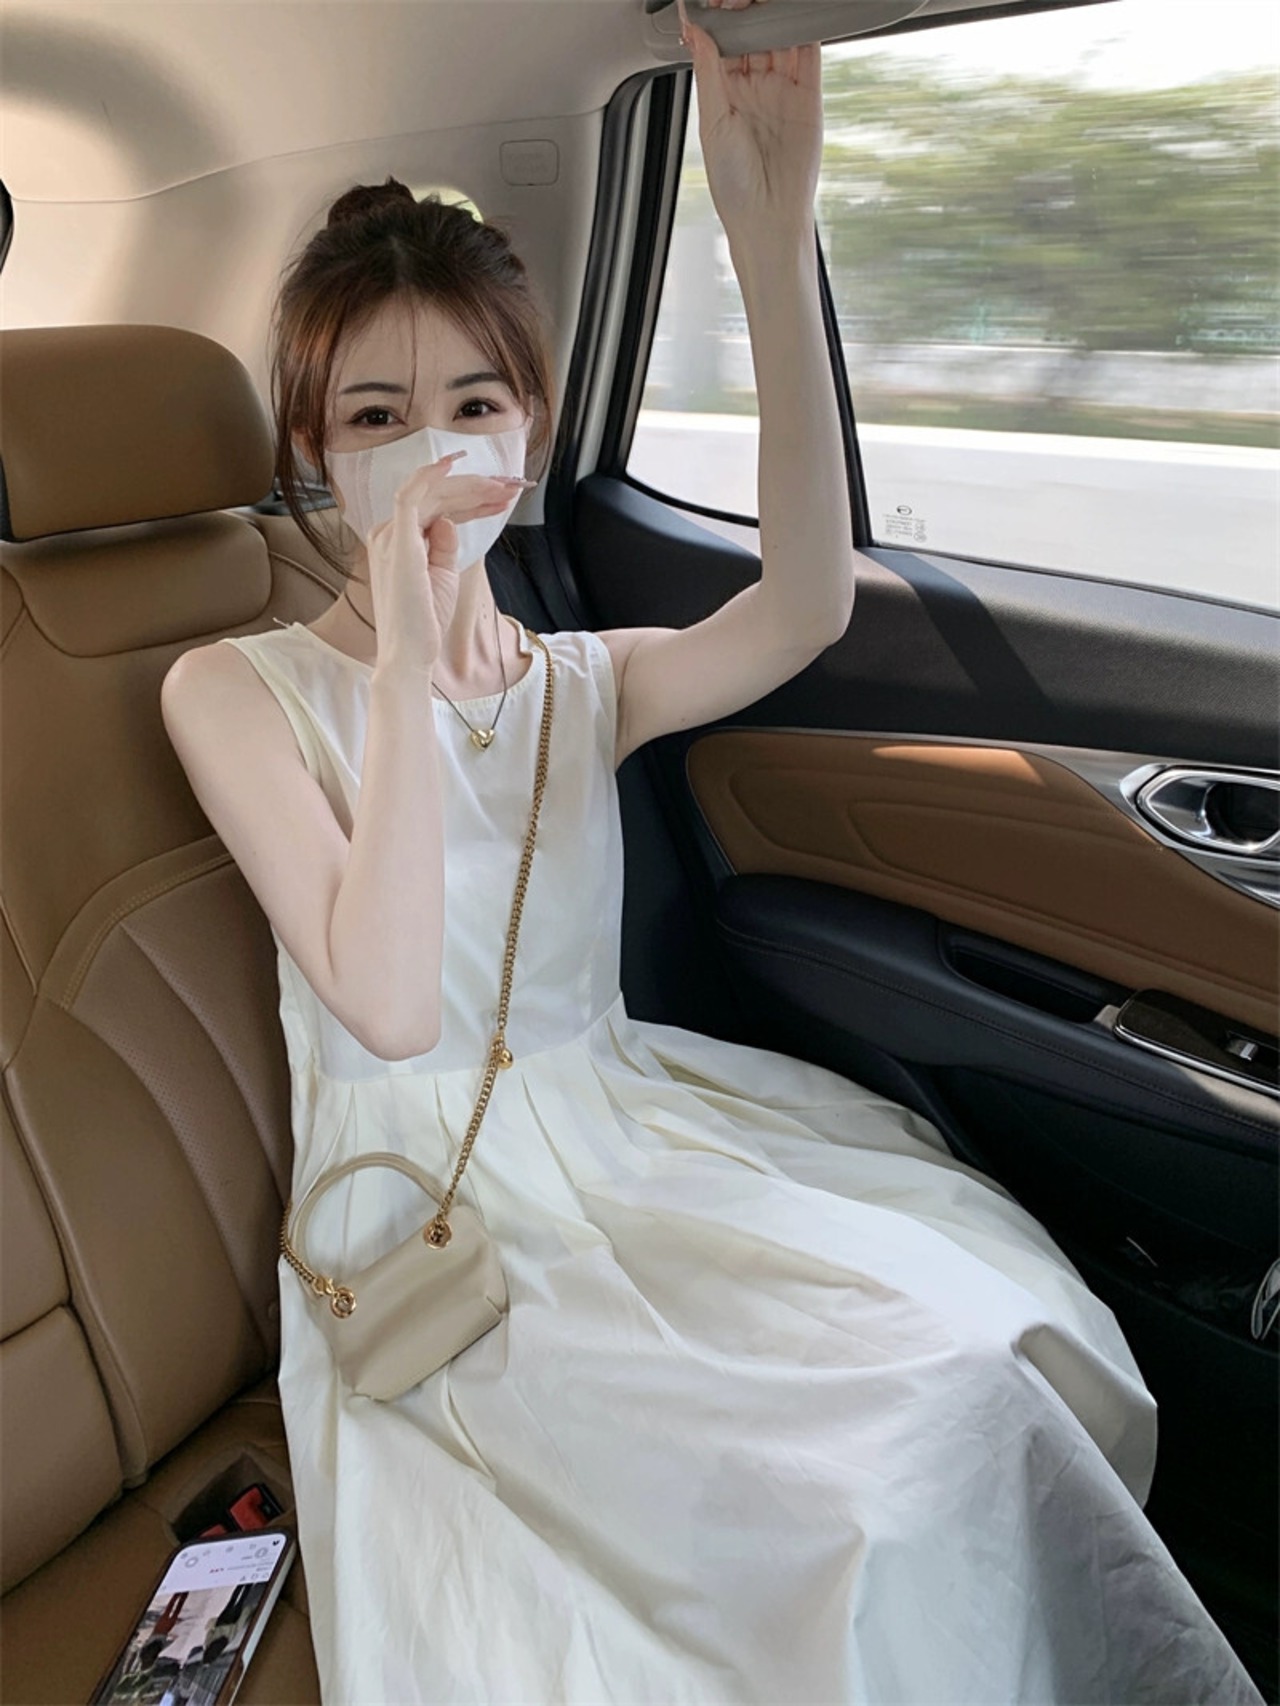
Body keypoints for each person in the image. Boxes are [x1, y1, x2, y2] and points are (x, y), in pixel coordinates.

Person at [160, 5, 1264, 1702]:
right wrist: (397, 658)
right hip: (439, 1213)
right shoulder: (233, 691)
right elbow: (387, 1003)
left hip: (632, 1132)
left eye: (471, 402)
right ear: (314, 446)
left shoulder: (573, 680)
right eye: (375, 417)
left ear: (529, 431)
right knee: (854, 1501)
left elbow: (806, 604)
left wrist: (766, 234)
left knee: (982, 1351)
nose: (429, 451)